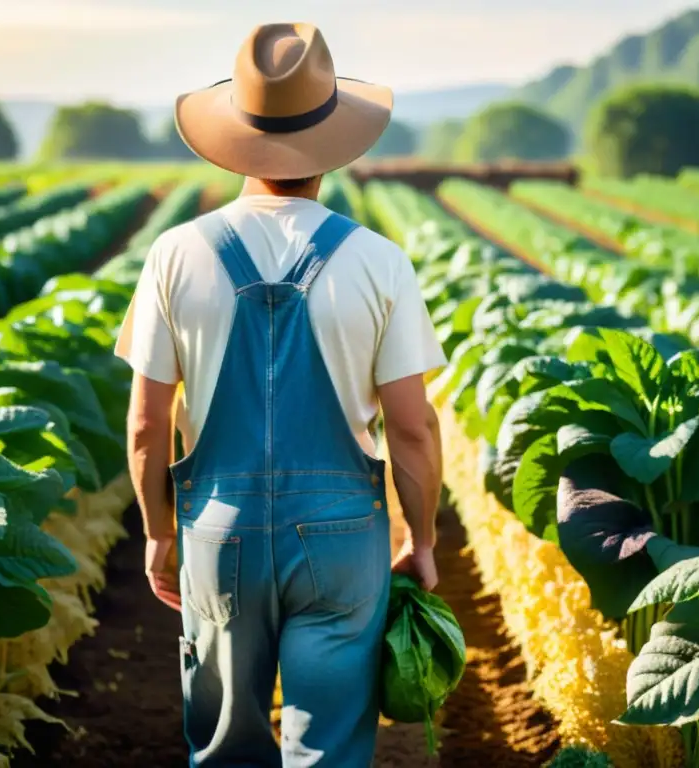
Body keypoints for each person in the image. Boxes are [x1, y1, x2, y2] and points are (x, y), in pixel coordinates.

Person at [114, 22, 445, 767]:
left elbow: (145, 423)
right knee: (328, 748)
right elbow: (413, 429)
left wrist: (160, 532)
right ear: (335, 139)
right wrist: (419, 539)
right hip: (340, 538)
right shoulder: (378, 261)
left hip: (217, 529)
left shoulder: (175, 254)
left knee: (226, 746)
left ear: (235, 134)